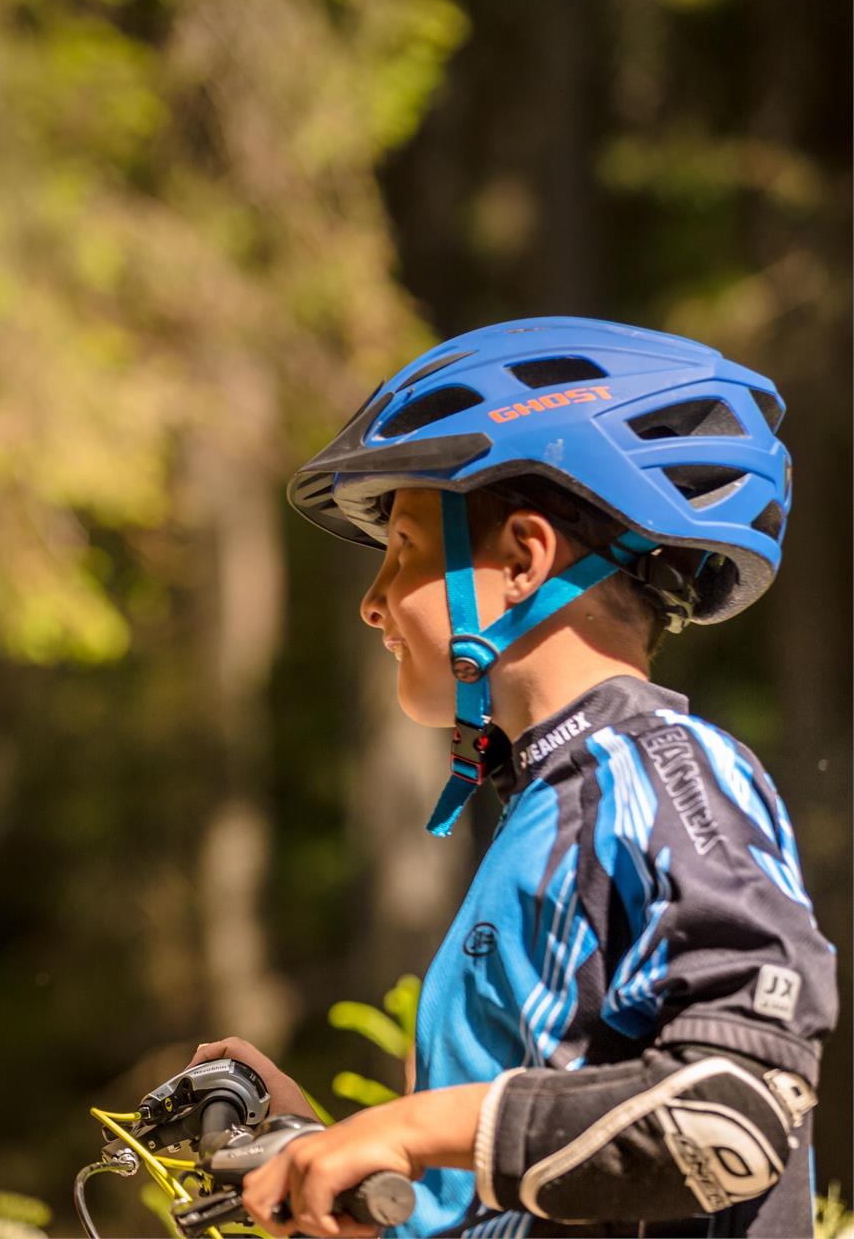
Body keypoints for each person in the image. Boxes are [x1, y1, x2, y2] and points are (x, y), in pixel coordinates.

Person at [190, 317, 835, 1237]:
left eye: (404, 547)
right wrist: (320, 1146)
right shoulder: (550, 805)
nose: (373, 600)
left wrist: (413, 1127)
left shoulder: (660, 772)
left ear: (523, 559)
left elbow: (732, 1115)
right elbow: (534, 1182)